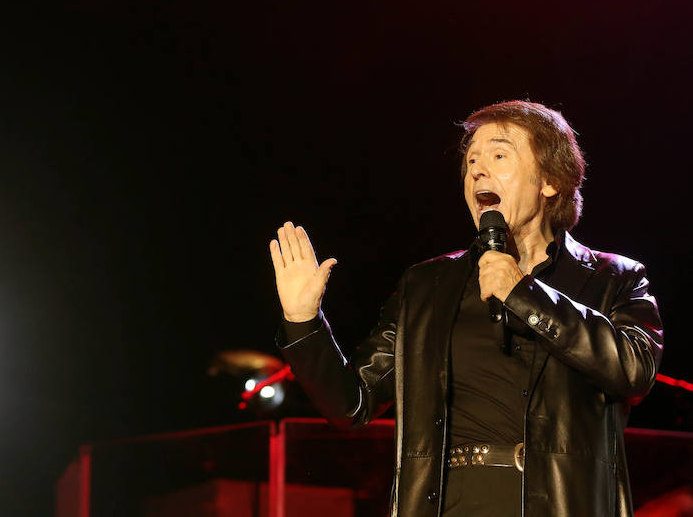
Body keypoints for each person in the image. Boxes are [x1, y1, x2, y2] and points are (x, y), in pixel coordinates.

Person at [269, 101, 663, 516]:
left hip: (562, 505)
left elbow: (635, 370)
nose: (478, 169)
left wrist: (524, 294)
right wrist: (302, 321)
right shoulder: (428, 286)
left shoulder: (613, 278)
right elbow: (353, 403)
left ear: (550, 181)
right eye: (471, 159)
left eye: (498, 154)